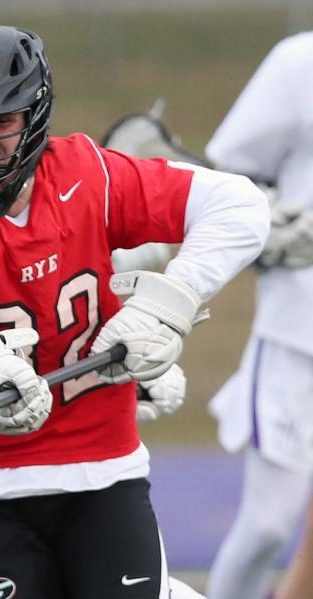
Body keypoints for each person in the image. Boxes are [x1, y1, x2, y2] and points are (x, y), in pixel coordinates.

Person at [0, 26, 269, 599]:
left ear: (34, 118)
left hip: (102, 475)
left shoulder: (88, 177)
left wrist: (167, 307)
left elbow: (240, 206)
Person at [204, 31, 313, 599]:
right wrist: (275, 221)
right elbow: (226, 175)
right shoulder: (300, 63)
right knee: (269, 525)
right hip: (299, 335)